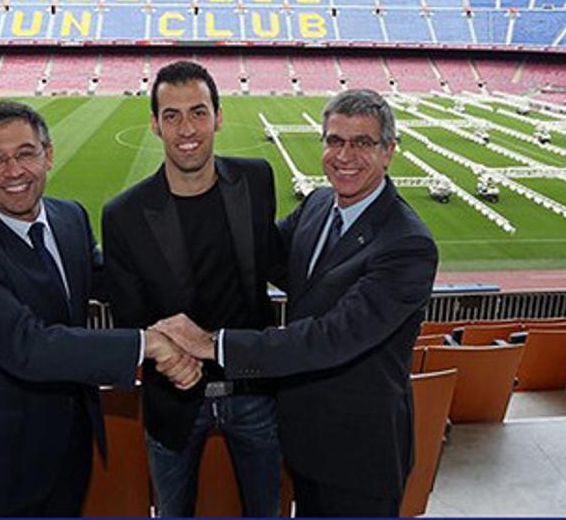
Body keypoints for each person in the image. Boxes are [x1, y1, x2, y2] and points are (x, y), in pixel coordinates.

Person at [156, 88, 438, 517]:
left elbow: (330, 339)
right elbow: (258, 252)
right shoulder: (320, 203)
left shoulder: (407, 244)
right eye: (334, 141)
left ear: (388, 152)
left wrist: (214, 344)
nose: (344, 155)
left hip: (360, 454)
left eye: (362, 143)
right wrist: (150, 246)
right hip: (306, 440)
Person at [0, 100, 201, 517]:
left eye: (25, 153)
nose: (14, 171)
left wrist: (184, 310)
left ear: (48, 154)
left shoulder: (68, 217)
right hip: (3, 466)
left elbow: (110, 282)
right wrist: (150, 344)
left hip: (72, 446)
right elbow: (30, 347)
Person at [101, 61, 284, 516]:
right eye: (172, 115)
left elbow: (278, 261)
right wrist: (173, 357)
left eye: (199, 112)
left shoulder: (256, 179)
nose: (187, 128)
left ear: (219, 117)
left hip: (254, 390)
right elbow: (128, 317)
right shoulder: (124, 214)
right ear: (154, 124)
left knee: (267, 511)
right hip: (174, 398)